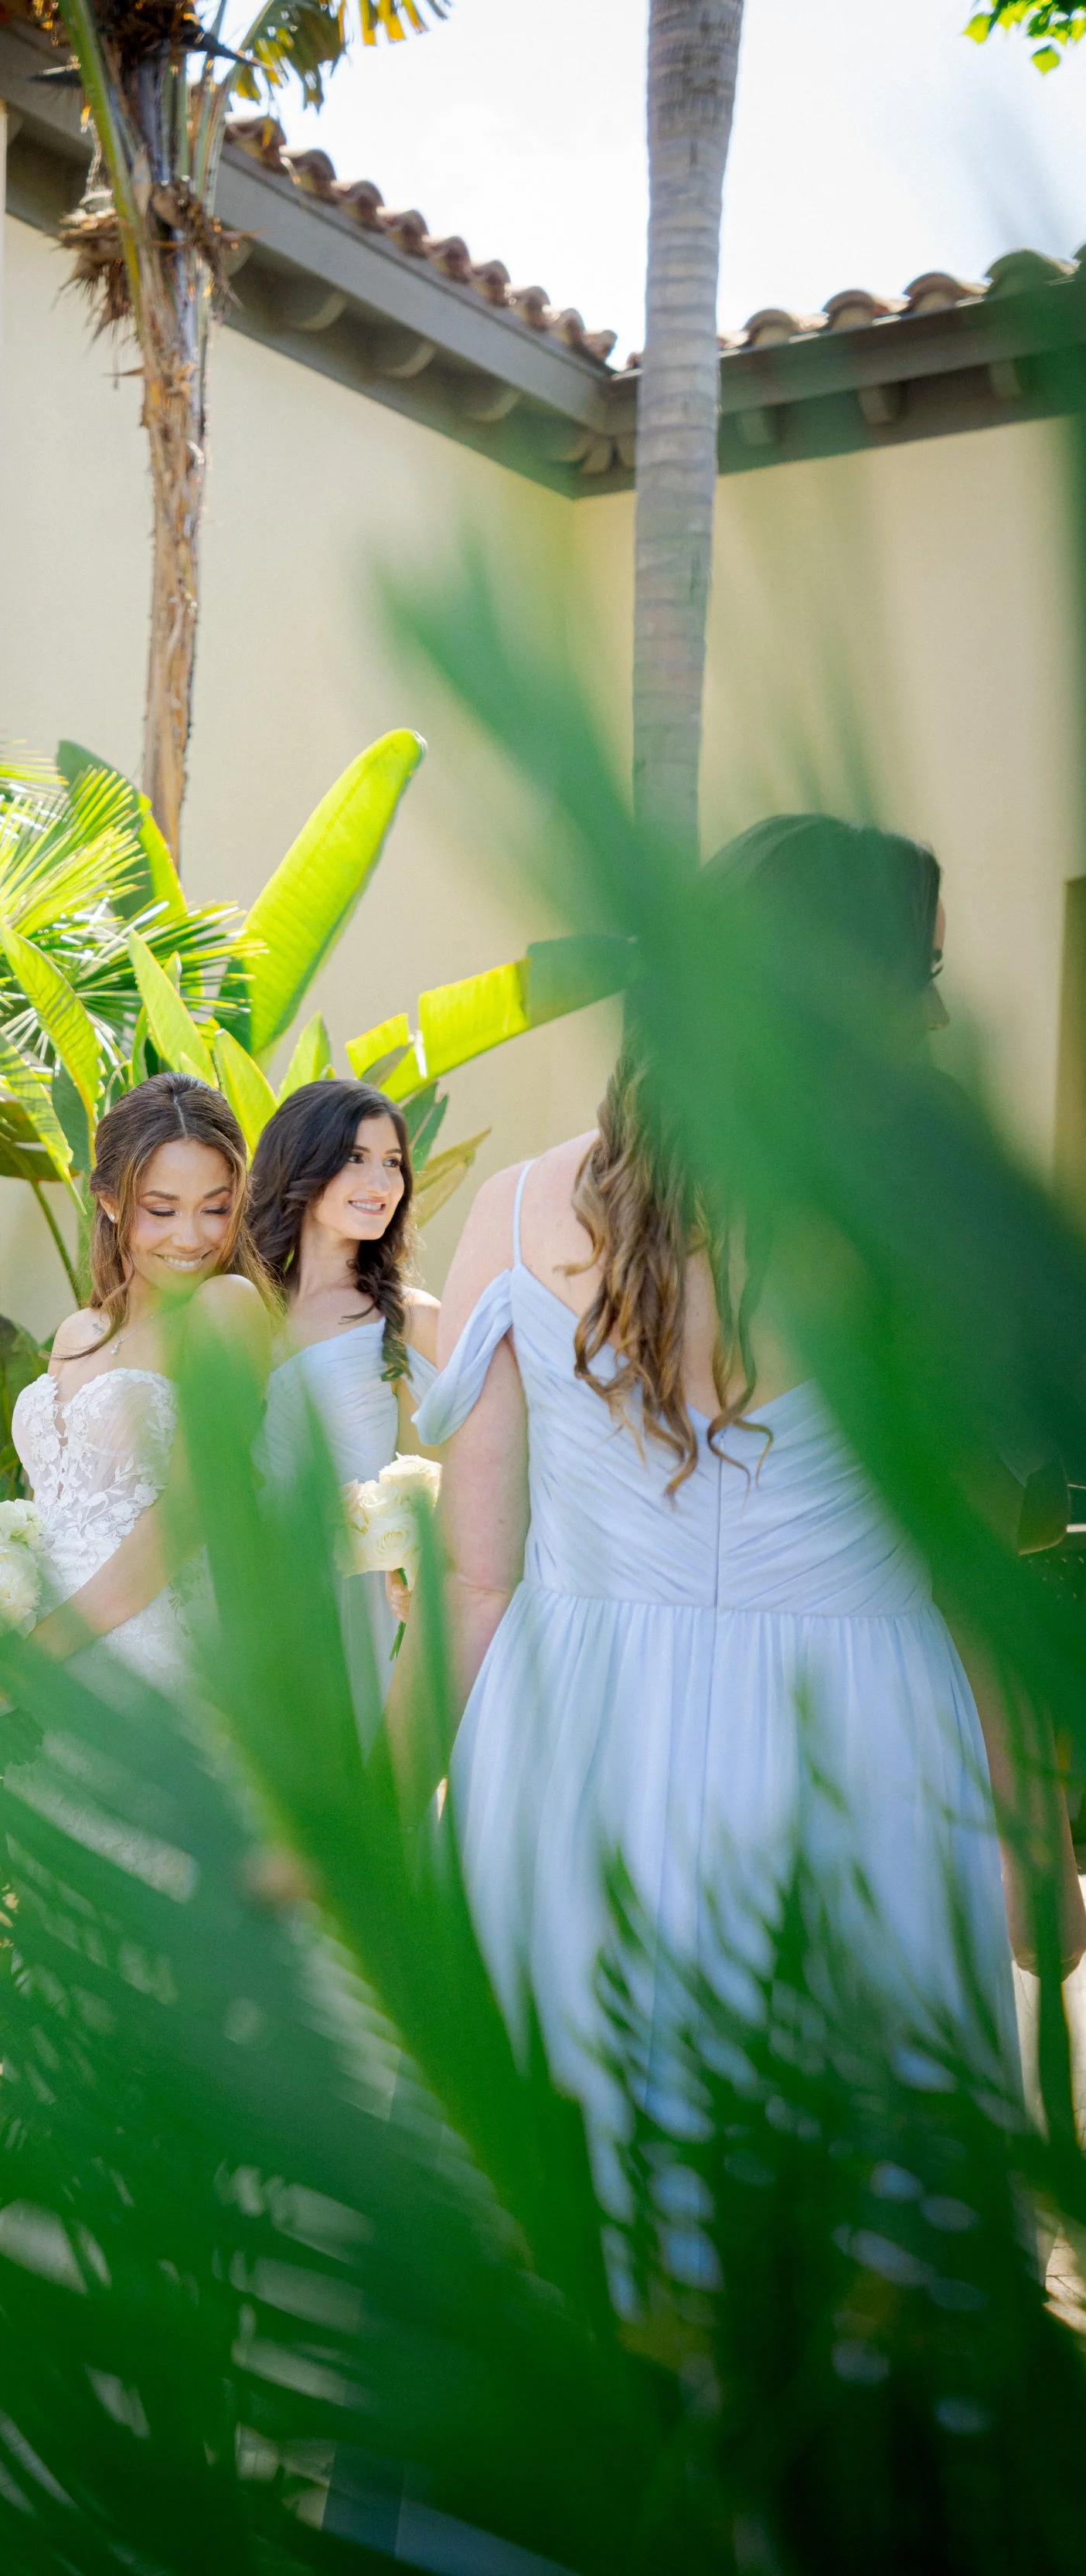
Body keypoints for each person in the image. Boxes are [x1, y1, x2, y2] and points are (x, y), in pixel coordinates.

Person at [412, 814, 1076, 2178]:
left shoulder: (521, 1215)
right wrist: (1039, 1830)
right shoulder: (936, 1250)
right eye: (919, 975)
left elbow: (476, 1574)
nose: (940, 1010)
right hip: (864, 1757)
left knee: (575, 2195)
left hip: (569, 1754)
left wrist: (445, 1806)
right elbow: (973, 1583)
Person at [15, 1072, 270, 1689]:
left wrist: (31, 1657)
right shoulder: (78, 1334)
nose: (192, 1237)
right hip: (47, 1662)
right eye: (163, 1210)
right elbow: (44, 1514)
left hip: (156, 1670)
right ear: (108, 1199)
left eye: (216, 1208)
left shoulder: (226, 1309)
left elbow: (182, 1520)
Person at [249, 1079, 442, 1730]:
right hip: (228, 1584)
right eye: (356, 1157)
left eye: (393, 1162)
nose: (381, 1181)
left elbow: (440, 1483)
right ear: (302, 1164)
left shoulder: (406, 1321)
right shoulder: (232, 1303)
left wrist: (414, 1565)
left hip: (342, 1606)